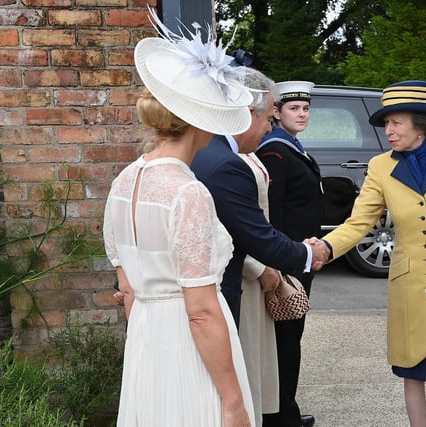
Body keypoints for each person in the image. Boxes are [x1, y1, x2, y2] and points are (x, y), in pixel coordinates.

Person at [103, 11, 254, 426]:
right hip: (191, 350)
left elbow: (127, 289)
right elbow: (201, 309)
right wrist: (232, 399)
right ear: (199, 123)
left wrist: (149, 350)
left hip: (147, 346)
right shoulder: (188, 192)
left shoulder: (124, 181)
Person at [320, 80, 426, 427]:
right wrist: (325, 247)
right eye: (386, 123)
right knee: (412, 373)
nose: (387, 131)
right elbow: (359, 223)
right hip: (410, 289)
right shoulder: (380, 166)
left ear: (420, 123)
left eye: (396, 122)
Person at [190, 71, 329, 329]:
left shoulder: (209, 150)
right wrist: (310, 253)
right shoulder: (226, 164)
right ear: (250, 112)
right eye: (267, 118)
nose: (268, 128)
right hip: (219, 292)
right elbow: (256, 233)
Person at [256, 81, 320, 427]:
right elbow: (272, 213)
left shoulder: (292, 147)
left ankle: (285, 409)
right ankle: (282, 415)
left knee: (290, 338)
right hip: (288, 259)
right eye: (294, 109)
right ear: (277, 113)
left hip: (299, 257)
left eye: (306, 109)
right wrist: (277, 262)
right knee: (284, 341)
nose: (302, 114)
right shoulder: (275, 151)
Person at [238, 151, 281, 426]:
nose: (269, 127)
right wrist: (257, 267)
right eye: (266, 118)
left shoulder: (248, 152)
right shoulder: (221, 157)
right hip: (244, 273)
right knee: (246, 358)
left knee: (258, 357)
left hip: (262, 261)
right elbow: (229, 224)